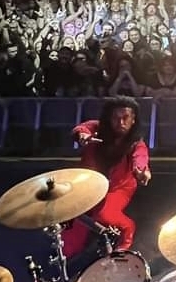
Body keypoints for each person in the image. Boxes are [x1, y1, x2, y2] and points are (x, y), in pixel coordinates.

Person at [61, 96, 151, 258]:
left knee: (104, 215)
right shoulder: (97, 128)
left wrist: (142, 171)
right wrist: (82, 136)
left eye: (125, 118)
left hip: (119, 188)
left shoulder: (136, 143)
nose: (120, 122)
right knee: (69, 237)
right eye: (116, 118)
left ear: (133, 120)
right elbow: (81, 129)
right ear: (109, 118)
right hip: (89, 183)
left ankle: (127, 230)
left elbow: (141, 158)